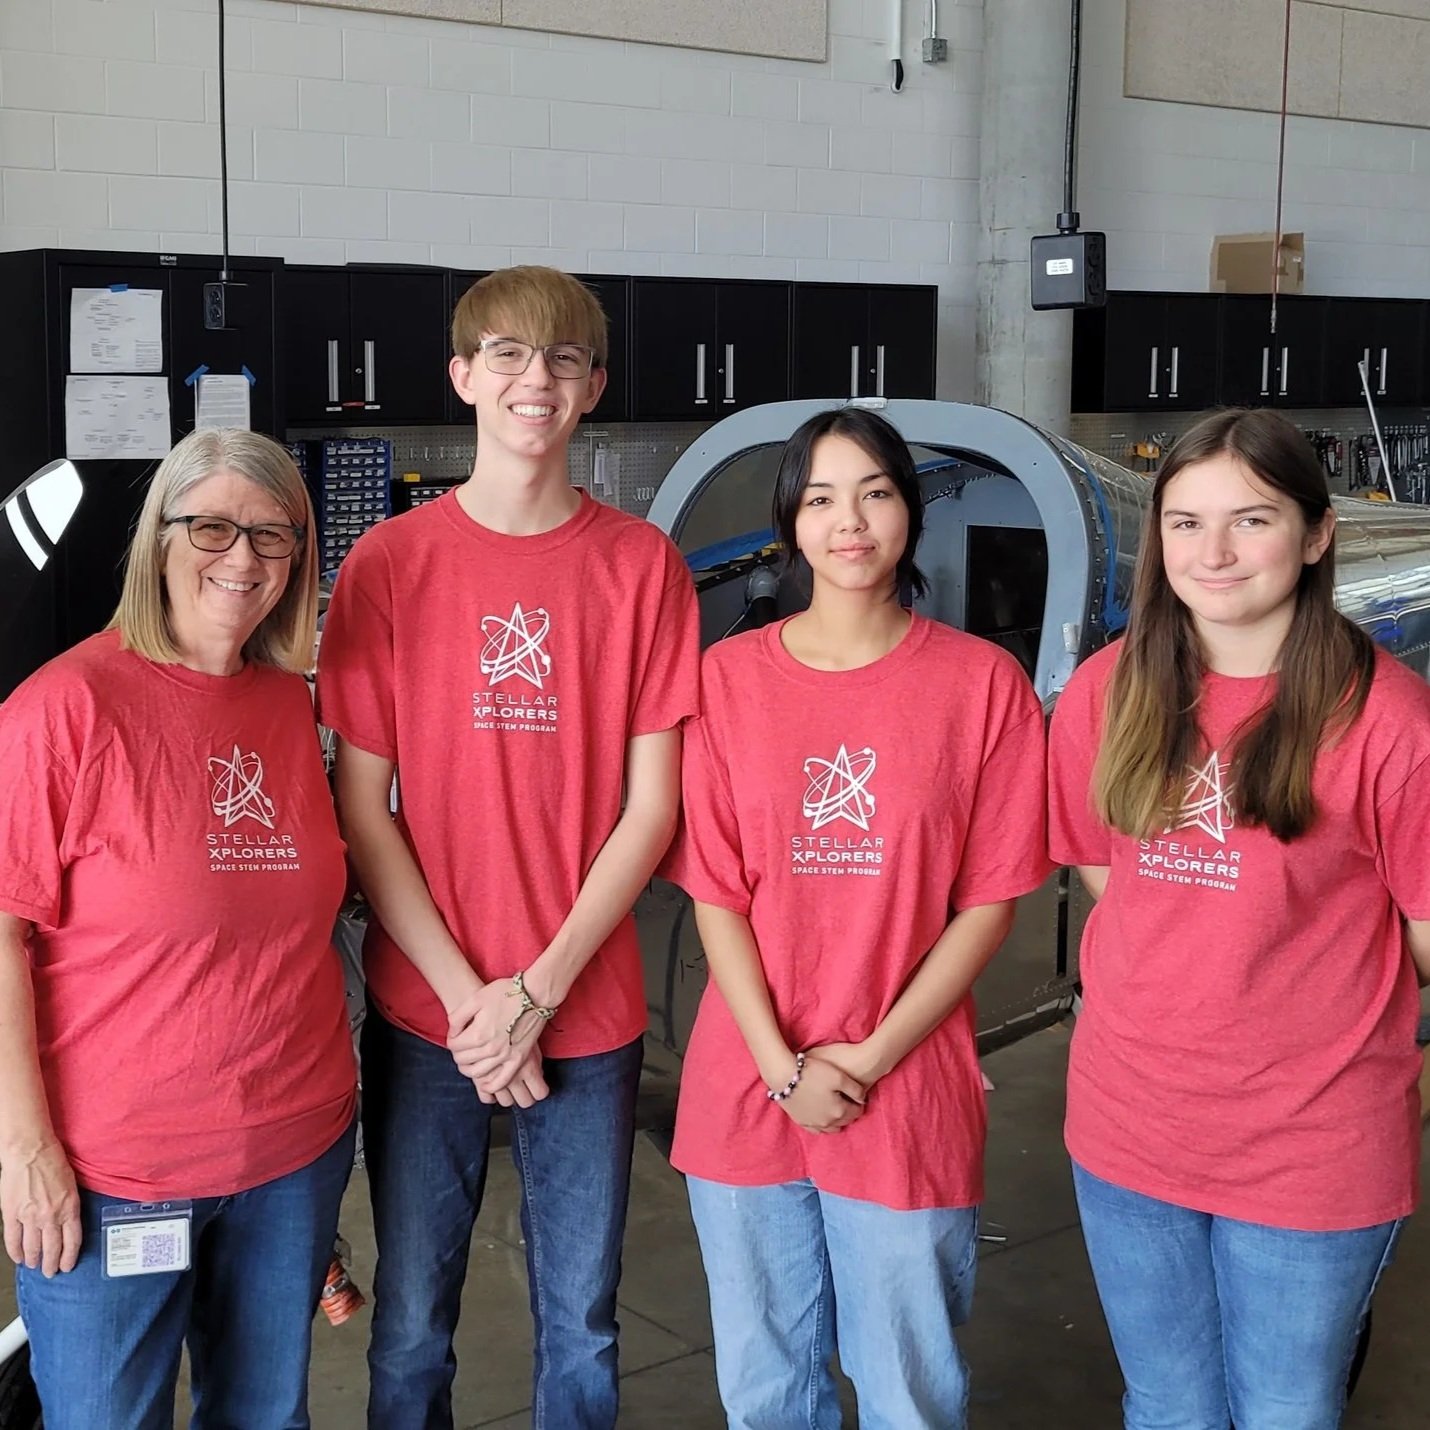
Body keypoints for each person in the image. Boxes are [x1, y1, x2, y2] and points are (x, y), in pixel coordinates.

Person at [316, 265, 700, 1429]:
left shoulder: (640, 567)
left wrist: (533, 991)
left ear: (591, 388)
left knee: (580, 1320)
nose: (536, 378)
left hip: (584, 1009)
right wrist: (472, 1002)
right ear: (462, 377)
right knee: (410, 1324)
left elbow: (652, 810)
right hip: (426, 1017)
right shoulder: (388, 565)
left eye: (564, 359)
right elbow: (363, 805)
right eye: (508, 354)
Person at [662, 406, 1050, 1429]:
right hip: (748, 1082)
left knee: (908, 1390)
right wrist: (782, 1064)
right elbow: (715, 892)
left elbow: (988, 902)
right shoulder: (725, 681)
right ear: (790, 521)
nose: (850, 521)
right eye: (822, 497)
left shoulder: (981, 686)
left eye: (874, 492)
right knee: (766, 1388)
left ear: (908, 514)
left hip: (905, 1085)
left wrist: (866, 1057)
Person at [1048, 408, 1430, 1430]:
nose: (1211, 553)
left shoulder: (1386, 721)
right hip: (1129, 1120)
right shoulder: (1104, 691)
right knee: (1165, 1402)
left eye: (1248, 519)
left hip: (1311, 1137)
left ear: (1313, 534)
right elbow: (1096, 856)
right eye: (1183, 522)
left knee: (1282, 1407)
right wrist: (1196, 944)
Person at [0, 428, 357, 1430]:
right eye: (211, 526)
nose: (241, 557)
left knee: (265, 1414)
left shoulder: (290, 701)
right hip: (117, 1174)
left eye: (271, 534)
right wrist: (22, 1147)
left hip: (293, 1151)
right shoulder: (62, 708)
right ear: (159, 539)